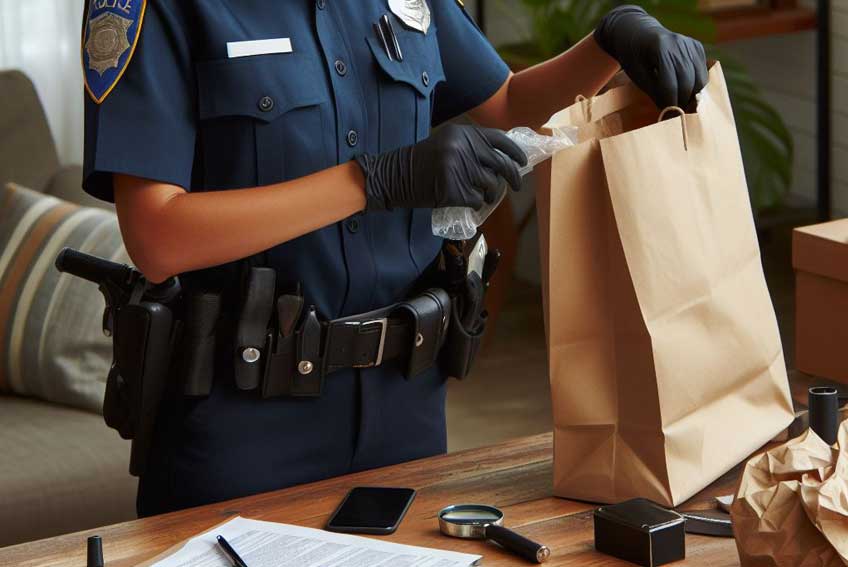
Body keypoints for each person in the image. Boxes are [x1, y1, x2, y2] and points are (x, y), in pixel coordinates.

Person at [80, 0, 708, 517]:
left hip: (406, 401)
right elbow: (157, 238)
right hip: (242, 417)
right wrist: (372, 180)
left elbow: (508, 102)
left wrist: (609, 42)